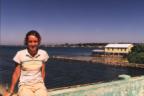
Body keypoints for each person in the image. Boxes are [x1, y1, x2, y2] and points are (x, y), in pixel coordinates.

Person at [5, 30, 49, 96]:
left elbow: (43, 71)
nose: (33, 44)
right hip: (24, 86)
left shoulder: (43, 53)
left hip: (39, 85)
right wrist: (11, 91)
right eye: (30, 42)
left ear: (39, 42)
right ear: (26, 42)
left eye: (35, 41)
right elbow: (16, 74)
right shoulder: (20, 54)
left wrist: (42, 85)